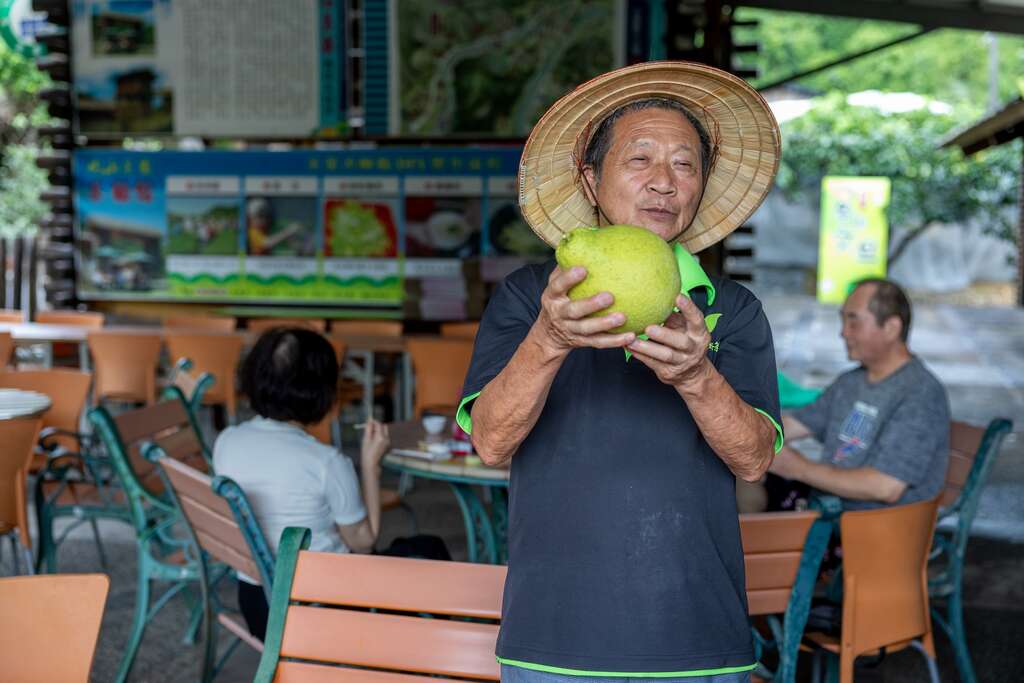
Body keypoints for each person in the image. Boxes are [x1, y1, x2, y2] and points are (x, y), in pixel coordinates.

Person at [457, 62, 784, 681]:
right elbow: (492, 443)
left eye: (685, 164)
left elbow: (754, 460)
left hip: (700, 643)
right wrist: (550, 339)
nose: (664, 182)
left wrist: (696, 377)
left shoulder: (732, 309)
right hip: (551, 644)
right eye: (639, 159)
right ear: (591, 178)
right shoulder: (532, 300)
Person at [213, 327, 390, 640]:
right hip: (319, 612)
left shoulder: (227, 441)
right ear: (322, 391)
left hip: (257, 606)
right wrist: (370, 466)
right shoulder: (326, 462)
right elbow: (364, 543)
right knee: (427, 549)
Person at [767, 278, 951, 511]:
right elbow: (793, 426)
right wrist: (743, 434)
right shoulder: (850, 382)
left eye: (853, 321)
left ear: (891, 328)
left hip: (872, 526)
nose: (843, 332)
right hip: (828, 511)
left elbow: (885, 486)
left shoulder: (921, 393)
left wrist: (797, 467)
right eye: (843, 320)